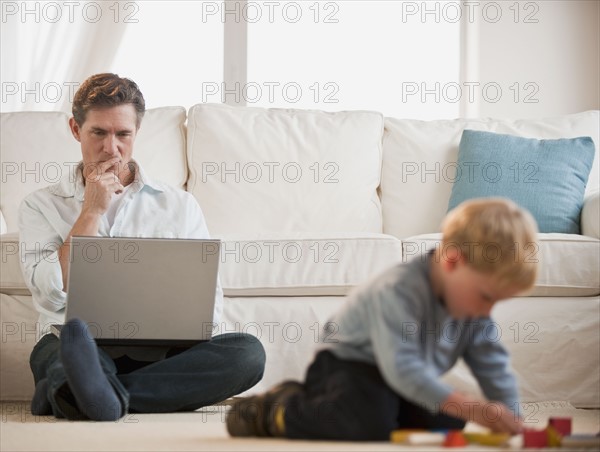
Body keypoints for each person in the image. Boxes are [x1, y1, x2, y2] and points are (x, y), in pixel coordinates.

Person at [19, 73, 265, 421]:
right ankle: (82, 386)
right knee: (65, 354)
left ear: (137, 133)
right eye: (98, 133)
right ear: (76, 129)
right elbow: (49, 295)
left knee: (247, 354)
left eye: (123, 134)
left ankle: (82, 393)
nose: (111, 148)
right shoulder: (40, 205)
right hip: (78, 344)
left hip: (162, 349)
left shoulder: (179, 205)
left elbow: (210, 309)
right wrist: (91, 211)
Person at [226, 198, 539, 440]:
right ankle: (276, 408)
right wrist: (474, 407)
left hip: (397, 380)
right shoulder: (398, 291)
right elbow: (403, 369)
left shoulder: (473, 310)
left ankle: (386, 412)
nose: (488, 312)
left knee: (447, 420)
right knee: (369, 421)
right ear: (453, 262)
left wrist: (511, 416)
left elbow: (493, 365)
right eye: (486, 297)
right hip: (346, 365)